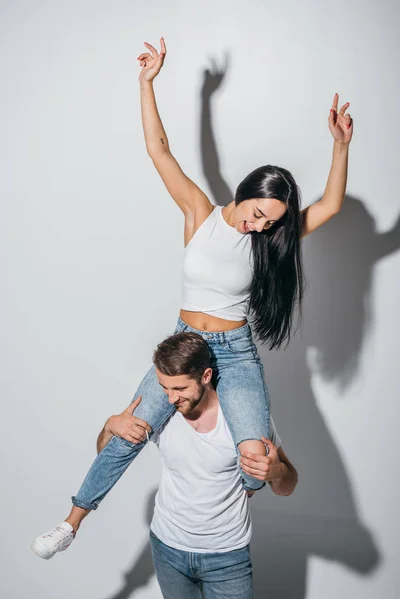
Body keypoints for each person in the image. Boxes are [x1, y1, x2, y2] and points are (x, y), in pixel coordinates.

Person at [31, 37, 353, 554]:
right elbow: (160, 150)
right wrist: (149, 83)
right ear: (245, 191)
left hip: (236, 351)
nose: (257, 226)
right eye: (256, 213)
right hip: (187, 345)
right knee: (128, 432)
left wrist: (340, 145)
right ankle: (70, 523)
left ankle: (216, 530)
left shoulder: (269, 241)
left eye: (270, 223)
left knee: (254, 460)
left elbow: (332, 205)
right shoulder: (200, 214)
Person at [33, 332, 297, 599]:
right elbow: (108, 457)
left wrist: (276, 472)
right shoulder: (165, 414)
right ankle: (69, 527)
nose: (171, 398)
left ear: (205, 377)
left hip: (227, 556)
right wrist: (109, 427)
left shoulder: (243, 421)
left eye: (180, 389)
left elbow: (287, 487)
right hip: (168, 549)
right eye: (164, 388)